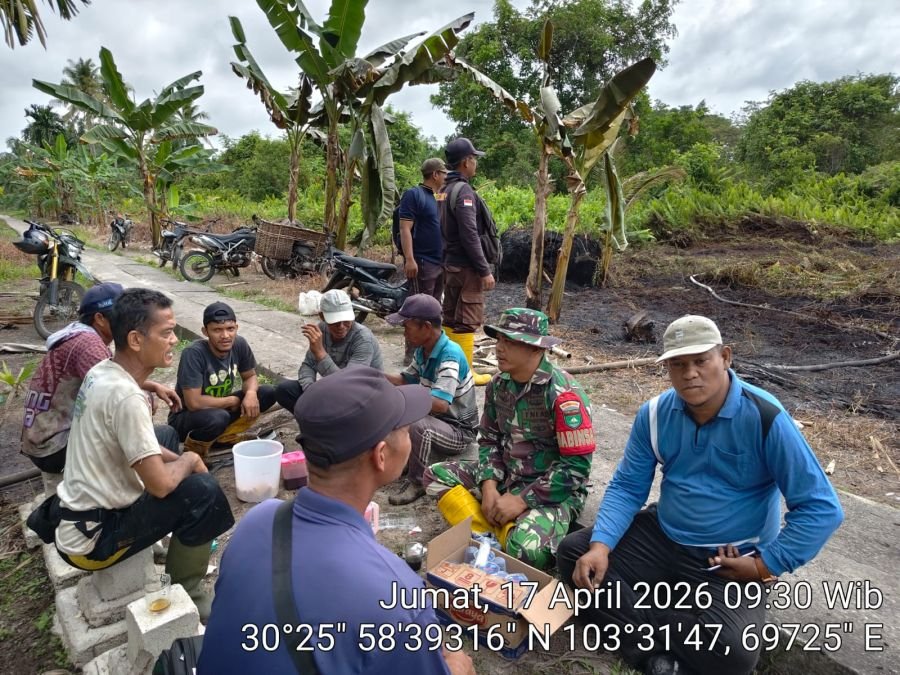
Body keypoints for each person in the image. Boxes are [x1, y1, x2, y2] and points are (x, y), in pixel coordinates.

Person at [557, 315, 845, 675]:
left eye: (700, 360)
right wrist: (601, 545)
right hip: (663, 533)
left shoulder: (765, 417)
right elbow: (629, 486)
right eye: (678, 364)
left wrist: (764, 565)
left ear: (725, 357)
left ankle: (642, 630)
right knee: (575, 555)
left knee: (737, 653)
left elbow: (821, 508)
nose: (690, 373)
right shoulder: (655, 415)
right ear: (667, 369)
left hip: (729, 555)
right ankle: (656, 652)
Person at [199, 367, 476, 675]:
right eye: (405, 428)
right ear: (380, 456)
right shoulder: (397, 596)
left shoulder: (258, 520)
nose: (411, 434)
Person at [30, 289, 234, 620]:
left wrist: (179, 459)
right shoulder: (126, 397)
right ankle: (189, 597)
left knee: (164, 434)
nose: (173, 341)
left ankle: (166, 549)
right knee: (203, 494)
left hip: (77, 516)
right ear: (136, 340)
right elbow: (161, 486)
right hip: (92, 542)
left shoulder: (104, 372)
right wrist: (190, 460)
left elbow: (143, 448)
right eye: (166, 333)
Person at [424, 308, 595, 571]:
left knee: (526, 552)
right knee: (435, 476)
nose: (499, 348)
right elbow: (490, 440)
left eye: (511, 342)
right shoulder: (498, 384)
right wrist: (490, 485)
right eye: (499, 339)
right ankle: (489, 535)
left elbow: (576, 469)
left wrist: (522, 500)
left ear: (537, 349)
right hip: (506, 476)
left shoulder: (563, 395)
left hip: (549, 490)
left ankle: (509, 531)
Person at [21, 282, 181, 473]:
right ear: (100, 318)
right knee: (148, 413)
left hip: (44, 438)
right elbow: (117, 387)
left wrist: (153, 385)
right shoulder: (89, 345)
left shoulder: (78, 334)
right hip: (55, 447)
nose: (127, 321)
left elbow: (111, 378)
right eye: (120, 316)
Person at [384, 294, 479, 505]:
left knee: (418, 424)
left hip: (458, 429)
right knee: (394, 406)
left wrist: (401, 396)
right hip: (440, 421)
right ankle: (404, 461)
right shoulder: (423, 350)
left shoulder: (450, 355)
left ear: (426, 327)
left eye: (407, 327)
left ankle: (418, 482)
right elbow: (406, 379)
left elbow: (440, 404)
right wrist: (376, 377)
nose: (405, 332)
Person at [168, 301, 277, 458]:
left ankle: (223, 436)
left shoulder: (239, 344)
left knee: (267, 393)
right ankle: (193, 451)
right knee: (219, 417)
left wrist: (251, 393)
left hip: (220, 408)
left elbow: (250, 376)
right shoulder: (193, 353)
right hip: (187, 418)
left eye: (230, 329)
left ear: (236, 328)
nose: (225, 336)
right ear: (205, 331)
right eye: (217, 330)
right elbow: (194, 403)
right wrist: (231, 401)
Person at [439, 137, 497, 386]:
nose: (476, 164)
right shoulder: (463, 192)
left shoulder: (442, 190)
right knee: (467, 320)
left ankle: (449, 368)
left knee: (451, 317)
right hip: (465, 267)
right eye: (474, 159)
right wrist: (484, 269)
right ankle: (465, 373)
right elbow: (469, 233)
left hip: (449, 264)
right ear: (465, 162)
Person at [273, 289, 383, 417]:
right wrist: (310, 390)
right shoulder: (322, 330)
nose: (341, 326)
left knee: (342, 405)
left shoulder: (363, 339)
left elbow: (349, 385)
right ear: (322, 316)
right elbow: (308, 365)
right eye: (335, 321)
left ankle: (326, 426)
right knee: (284, 390)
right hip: (335, 390)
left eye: (346, 320)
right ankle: (314, 426)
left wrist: (320, 352)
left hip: (361, 395)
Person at [397, 157, 448, 300]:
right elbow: (404, 228)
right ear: (435, 175)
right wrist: (410, 259)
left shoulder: (439, 196)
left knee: (435, 307)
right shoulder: (414, 195)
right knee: (421, 307)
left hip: (440, 262)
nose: (446, 177)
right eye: (444, 173)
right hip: (423, 262)